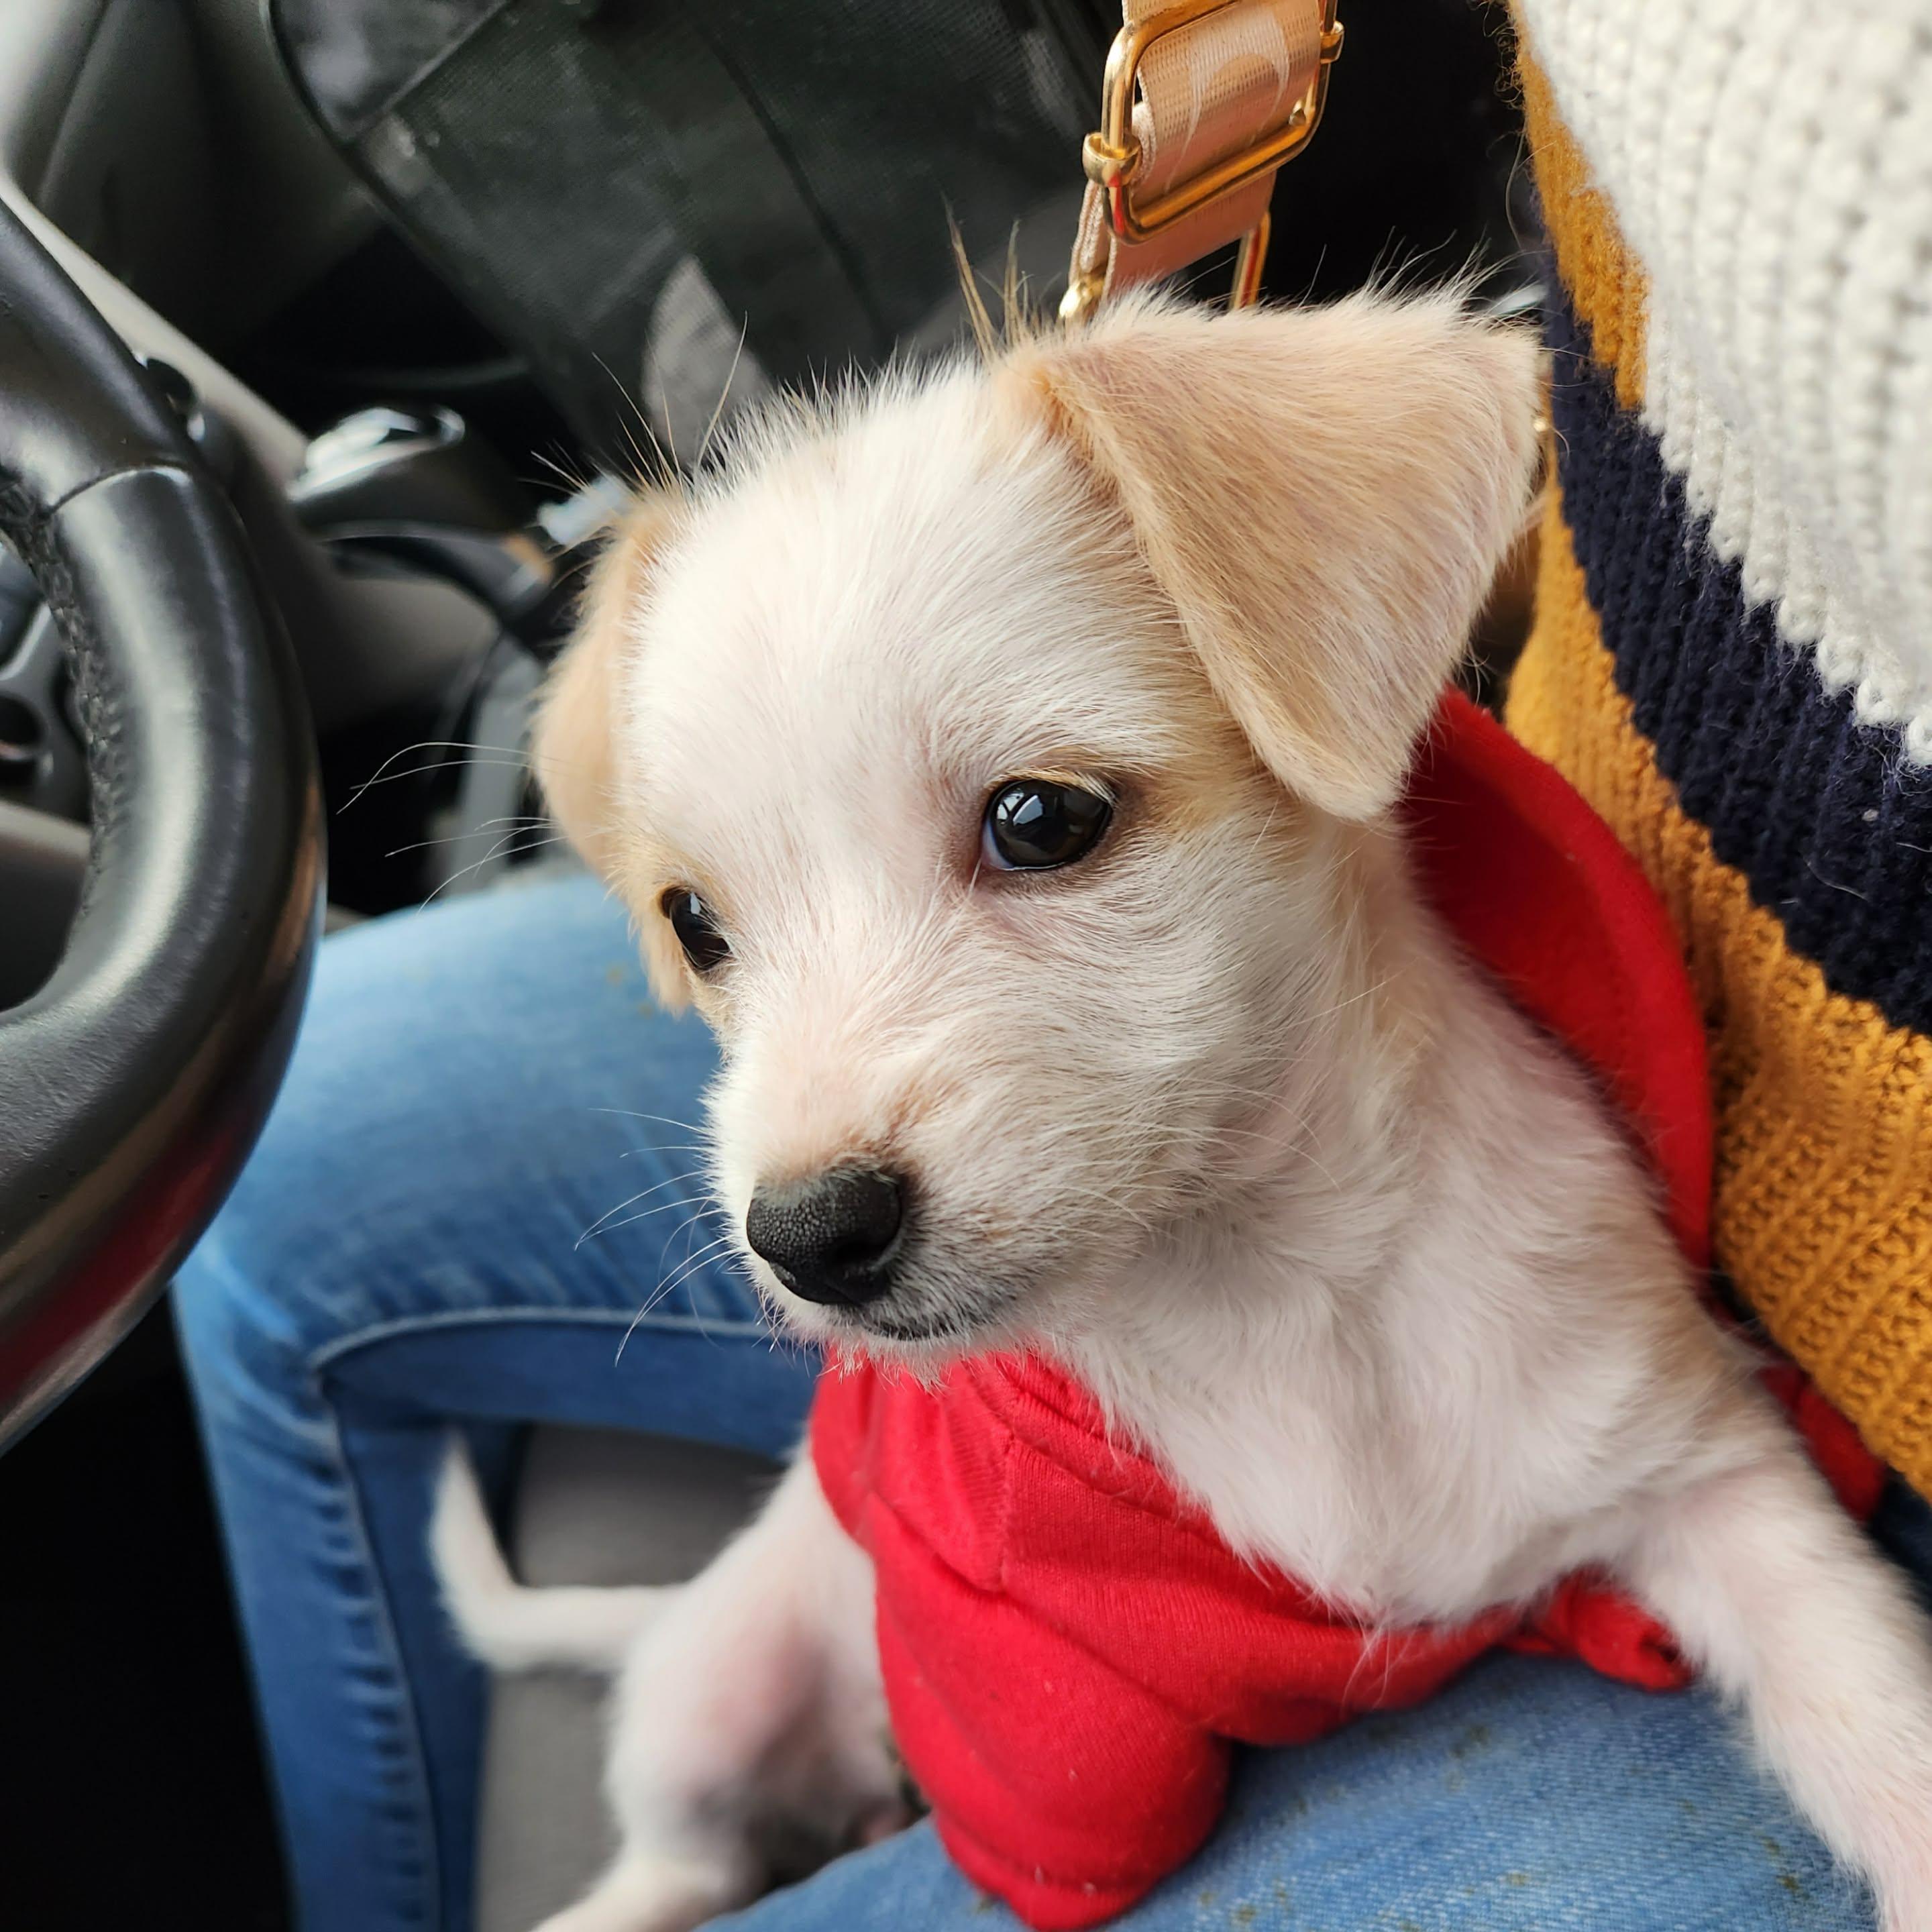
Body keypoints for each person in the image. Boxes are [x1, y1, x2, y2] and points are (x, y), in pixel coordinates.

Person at [176, 4, 1932, 1928]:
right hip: (1594, 730)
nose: (809, 1152)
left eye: (1040, 824)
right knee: (258, 1139)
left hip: (1792, 1216)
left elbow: (1715, 1499)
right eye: (710, 923)